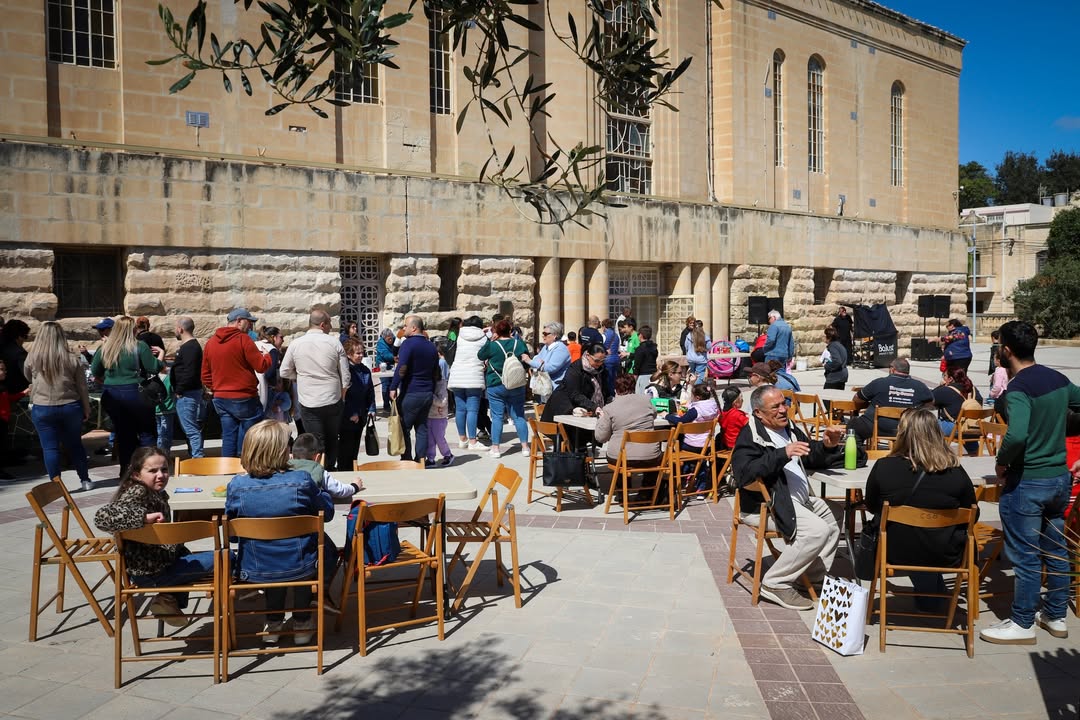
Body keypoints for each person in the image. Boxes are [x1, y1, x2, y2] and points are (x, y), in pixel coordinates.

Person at [980, 321, 1080, 645]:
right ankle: (1055, 615)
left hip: (1029, 481)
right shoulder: (1058, 379)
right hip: (1058, 479)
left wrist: (1002, 461)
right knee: (1055, 549)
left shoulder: (1019, 388)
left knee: (1024, 554)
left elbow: (1018, 433)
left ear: (1005, 350)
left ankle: (1023, 622)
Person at [731, 385, 844, 610]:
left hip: (798, 501)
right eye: (776, 407)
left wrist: (827, 446)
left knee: (834, 514)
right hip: (768, 505)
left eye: (784, 403)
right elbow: (743, 473)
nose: (783, 410)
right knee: (817, 531)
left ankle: (813, 576)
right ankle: (776, 583)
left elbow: (809, 456)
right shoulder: (751, 436)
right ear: (758, 413)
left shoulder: (788, 427)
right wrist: (783, 454)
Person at [226, 420, 337, 644]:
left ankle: (274, 622)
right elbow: (328, 513)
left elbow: (233, 535)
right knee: (303, 550)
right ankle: (302, 621)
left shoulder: (236, 486)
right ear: (282, 451)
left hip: (257, 567)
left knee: (272, 553)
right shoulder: (302, 480)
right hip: (301, 564)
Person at [863, 407, 977, 609]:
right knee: (929, 537)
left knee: (911, 535)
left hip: (895, 551)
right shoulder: (955, 471)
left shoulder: (884, 467)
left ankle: (931, 595)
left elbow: (872, 505)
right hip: (947, 552)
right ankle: (932, 595)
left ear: (902, 434)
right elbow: (972, 514)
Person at [94, 446, 220, 626]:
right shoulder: (138, 492)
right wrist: (143, 517)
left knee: (186, 552)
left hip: (155, 566)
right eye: (152, 471)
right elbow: (102, 517)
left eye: (164, 469)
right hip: (153, 573)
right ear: (137, 475)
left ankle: (168, 599)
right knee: (225, 557)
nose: (160, 475)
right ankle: (169, 598)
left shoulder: (155, 492)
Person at [24, 321, 93, 491]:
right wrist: (87, 407)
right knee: (75, 444)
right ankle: (85, 480)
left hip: (43, 407)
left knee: (50, 448)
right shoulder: (71, 358)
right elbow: (82, 386)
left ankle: (56, 485)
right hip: (70, 405)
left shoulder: (33, 357)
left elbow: (27, 375)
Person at [91, 316, 165, 474]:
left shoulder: (104, 348)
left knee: (124, 434)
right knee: (147, 433)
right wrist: (161, 355)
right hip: (136, 393)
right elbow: (153, 367)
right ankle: (149, 468)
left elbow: (95, 371)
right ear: (133, 330)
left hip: (112, 395)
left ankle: (127, 470)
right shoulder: (139, 346)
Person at [279, 309, 350, 470]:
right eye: (330, 323)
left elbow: (284, 371)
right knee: (333, 438)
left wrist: (300, 376)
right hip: (332, 398)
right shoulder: (334, 343)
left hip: (308, 400)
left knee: (315, 439)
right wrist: (342, 396)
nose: (331, 327)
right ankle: (330, 468)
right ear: (323, 324)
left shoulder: (296, 344)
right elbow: (345, 377)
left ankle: (317, 471)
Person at [201, 308, 272, 457]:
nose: (251, 327)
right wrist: (267, 356)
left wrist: (217, 388)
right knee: (252, 436)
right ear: (239, 321)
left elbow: (205, 375)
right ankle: (248, 468)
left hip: (221, 397)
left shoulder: (211, 342)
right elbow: (261, 366)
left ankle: (227, 470)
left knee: (228, 436)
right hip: (244, 396)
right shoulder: (243, 339)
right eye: (249, 322)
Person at [595, 373, 663, 500]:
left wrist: (601, 419)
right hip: (649, 455)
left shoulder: (610, 408)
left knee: (621, 452)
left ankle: (622, 492)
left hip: (621, 456)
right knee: (657, 455)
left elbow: (600, 437)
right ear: (634, 386)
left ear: (615, 389)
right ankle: (646, 491)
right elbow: (653, 415)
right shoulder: (646, 400)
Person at [476, 319, 531, 459]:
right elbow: (526, 356)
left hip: (496, 384)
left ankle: (495, 448)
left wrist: (490, 341)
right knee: (518, 416)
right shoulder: (518, 343)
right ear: (510, 330)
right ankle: (525, 447)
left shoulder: (493, 345)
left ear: (496, 331)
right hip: (516, 384)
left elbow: (480, 355)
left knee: (497, 417)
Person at [541, 344, 613, 450]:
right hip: (565, 407)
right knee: (571, 440)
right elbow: (575, 394)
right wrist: (594, 407)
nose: (599, 364)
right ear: (588, 355)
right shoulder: (575, 369)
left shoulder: (601, 370)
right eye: (597, 361)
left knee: (585, 438)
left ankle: (581, 462)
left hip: (584, 407)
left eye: (602, 361)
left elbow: (605, 391)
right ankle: (574, 463)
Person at [389, 315, 439, 463]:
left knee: (404, 428)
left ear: (414, 328)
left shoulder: (408, 344)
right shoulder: (430, 345)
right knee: (422, 427)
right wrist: (432, 389)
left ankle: (407, 460)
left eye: (405, 326)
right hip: (427, 392)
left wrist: (393, 387)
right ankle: (421, 460)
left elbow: (402, 367)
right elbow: (436, 372)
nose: (403, 328)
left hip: (412, 392)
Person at [849, 357, 933, 444]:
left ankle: (857, 453)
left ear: (892, 369)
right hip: (907, 429)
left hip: (877, 427)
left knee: (853, 424)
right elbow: (931, 403)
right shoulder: (920, 386)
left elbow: (857, 399)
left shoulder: (879, 383)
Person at [665, 382, 720, 495]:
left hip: (691, 445)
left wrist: (667, 415)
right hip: (707, 445)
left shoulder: (696, 411)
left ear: (697, 397)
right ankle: (701, 488)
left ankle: (683, 477)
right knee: (701, 462)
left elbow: (681, 421)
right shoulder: (714, 407)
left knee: (677, 448)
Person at [447, 316, 488, 450]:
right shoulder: (484, 337)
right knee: (472, 410)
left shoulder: (459, 334)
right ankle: (472, 441)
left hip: (457, 375)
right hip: (474, 376)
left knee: (460, 409)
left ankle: (462, 439)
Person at [337, 338, 376, 472]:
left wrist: (371, 408)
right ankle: (343, 472)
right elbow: (343, 395)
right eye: (357, 353)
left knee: (354, 449)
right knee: (345, 449)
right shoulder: (345, 371)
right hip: (347, 417)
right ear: (348, 354)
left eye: (362, 353)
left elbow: (370, 391)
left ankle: (352, 470)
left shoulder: (365, 370)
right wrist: (351, 413)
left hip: (361, 415)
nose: (360, 356)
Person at [290, 432, 361, 501]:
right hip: (311, 511)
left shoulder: (283, 468)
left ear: (292, 456)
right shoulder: (319, 472)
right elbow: (339, 490)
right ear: (317, 457)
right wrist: (354, 486)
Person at [171, 317, 205, 459]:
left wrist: (179, 390)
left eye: (175, 327)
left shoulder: (191, 347)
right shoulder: (189, 347)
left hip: (187, 393)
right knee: (191, 427)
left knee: (191, 428)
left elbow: (190, 372)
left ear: (180, 329)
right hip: (187, 392)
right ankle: (195, 455)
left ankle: (197, 458)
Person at [932, 366, 983, 450]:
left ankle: (935, 453)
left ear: (950, 379)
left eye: (944, 376)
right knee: (966, 423)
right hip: (974, 427)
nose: (943, 378)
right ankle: (974, 452)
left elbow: (929, 397)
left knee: (928, 424)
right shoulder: (973, 390)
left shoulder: (946, 390)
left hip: (955, 428)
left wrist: (941, 386)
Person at [528, 322, 571, 403]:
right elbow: (537, 362)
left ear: (555, 336)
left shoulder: (561, 348)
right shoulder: (546, 347)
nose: (543, 336)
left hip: (556, 389)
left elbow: (550, 368)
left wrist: (529, 361)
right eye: (543, 333)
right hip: (544, 388)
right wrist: (540, 364)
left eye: (545, 333)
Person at [426, 342, 454, 467]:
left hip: (439, 415)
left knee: (439, 438)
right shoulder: (429, 384)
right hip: (429, 415)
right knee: (430, 439)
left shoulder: (442, 385)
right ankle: (430, 458)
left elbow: (442, 402)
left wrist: (430, 396)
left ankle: (447, 454)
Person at [0, 319, 31, 394]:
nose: (25, 340)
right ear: (19, 336)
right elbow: (28, 375)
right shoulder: (20, 353)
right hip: (17, 394)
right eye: (25, 336)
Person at [154, 368, 176, 453]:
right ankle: (164, 452)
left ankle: (159, 451)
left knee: (159, 432)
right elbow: (173, 391)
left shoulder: (153, 379)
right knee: (166, 433)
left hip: (156, 409)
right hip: (168, 409)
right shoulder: (168, 379)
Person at [375, 328, 397, 414]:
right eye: (389, 339)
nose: (391, 340)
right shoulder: (380, 343)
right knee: (385, 385)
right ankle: (386, 405)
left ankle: (394, 404)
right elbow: (385, 354)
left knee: (393, 385)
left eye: (391, 338)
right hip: (382, 366)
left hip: (392, 365)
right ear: (384, 338)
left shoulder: (395, 340)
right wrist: (394, 357)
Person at [632, 325, 659, 395]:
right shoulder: (654, 347)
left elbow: (637, 365)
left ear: (640, 335)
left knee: (641, 397)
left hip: (643, 375)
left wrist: (635, 377)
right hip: (654, 375)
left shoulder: (640, 349)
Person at [822, 326, 848, 390]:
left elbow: (837, 361)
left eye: (824, 335)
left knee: (827, 398)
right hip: (842, 376)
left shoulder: (833, 346)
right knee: (838, 399)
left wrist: (826, 366)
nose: (823, 337)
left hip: (835, 377)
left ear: (829, 337)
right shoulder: (839, 345)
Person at [600, 318, 621, 389]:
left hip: (607, 360)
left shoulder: (603, 335)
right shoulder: (617, 335)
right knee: (614, 379)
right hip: (616, 359)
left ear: (604, 326)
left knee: (607, 380)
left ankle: (610, 396)